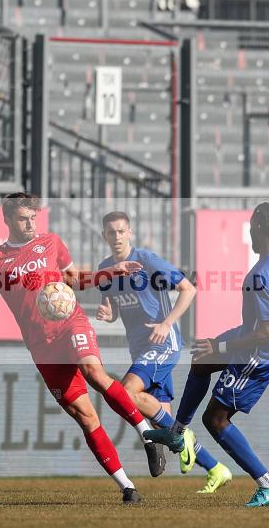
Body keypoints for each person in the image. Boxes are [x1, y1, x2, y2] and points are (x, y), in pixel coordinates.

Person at [0, 192, 161, 504]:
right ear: (7, 220)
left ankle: (147, 435)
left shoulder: (51, 242)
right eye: (23, 218)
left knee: (94, 372)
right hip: (42, 346)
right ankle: (127, 487)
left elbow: (76, 280)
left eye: (33, 216)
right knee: (85, 417)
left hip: (71, 323)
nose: (30, 222)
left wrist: (111, 272)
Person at [145, 202, 269, 507]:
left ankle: (268, 485)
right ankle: (178, 433)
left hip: (262, 351)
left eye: (251, 225)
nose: (249, 231)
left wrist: (221, 348)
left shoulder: (261, 275)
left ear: (257, 228)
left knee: (215, 419)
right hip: (265, 337)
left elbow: (265, 332)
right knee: (201, 358)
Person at [96, 211, 232, 493]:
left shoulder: (145, 260)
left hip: (163, 343)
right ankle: (217, 468)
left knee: (126, 392)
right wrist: (108, 314)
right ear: (105, 236)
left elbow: (188, 288)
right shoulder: (105, 269)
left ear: (130, 232)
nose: (117, 236)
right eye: (112, 232)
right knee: (168, 429)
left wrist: (167, 322)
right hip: (140, 350)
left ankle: (179, 436)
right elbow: (116, 309)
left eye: (122, 231)